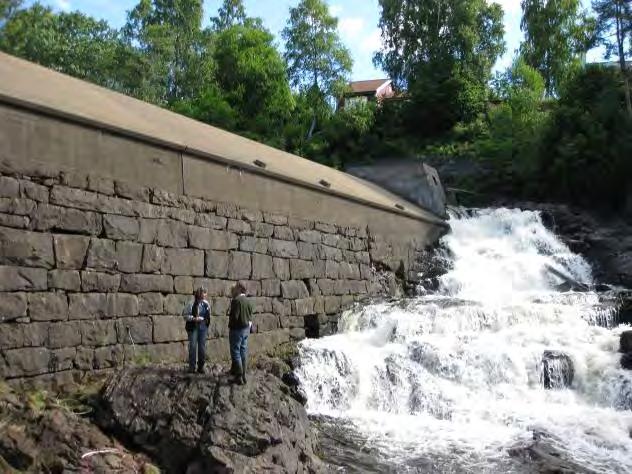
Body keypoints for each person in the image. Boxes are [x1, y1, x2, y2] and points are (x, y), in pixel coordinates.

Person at [228, 282, 254, 385]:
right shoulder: (248, 301)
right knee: (243, 351)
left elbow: (235, 317)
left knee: (235, 351)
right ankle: (243, 374)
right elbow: (250, 316)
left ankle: (238, 376)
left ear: (239, 289)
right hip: (246, 329)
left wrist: (230, 324)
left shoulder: (236, 301)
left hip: (236, 330)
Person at [182, 287, 211, 374]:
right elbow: (185, 315)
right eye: (202, 298)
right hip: (193, 327)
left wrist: (206, 322)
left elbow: (208, 315)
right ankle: (192, 367)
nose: (203, 299)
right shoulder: (191, 304)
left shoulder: (206, 304)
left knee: (202, 347)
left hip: (202, 327)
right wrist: (193, 318)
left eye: (204, 297)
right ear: (198, 297)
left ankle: (201, 367)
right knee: (193, 347)